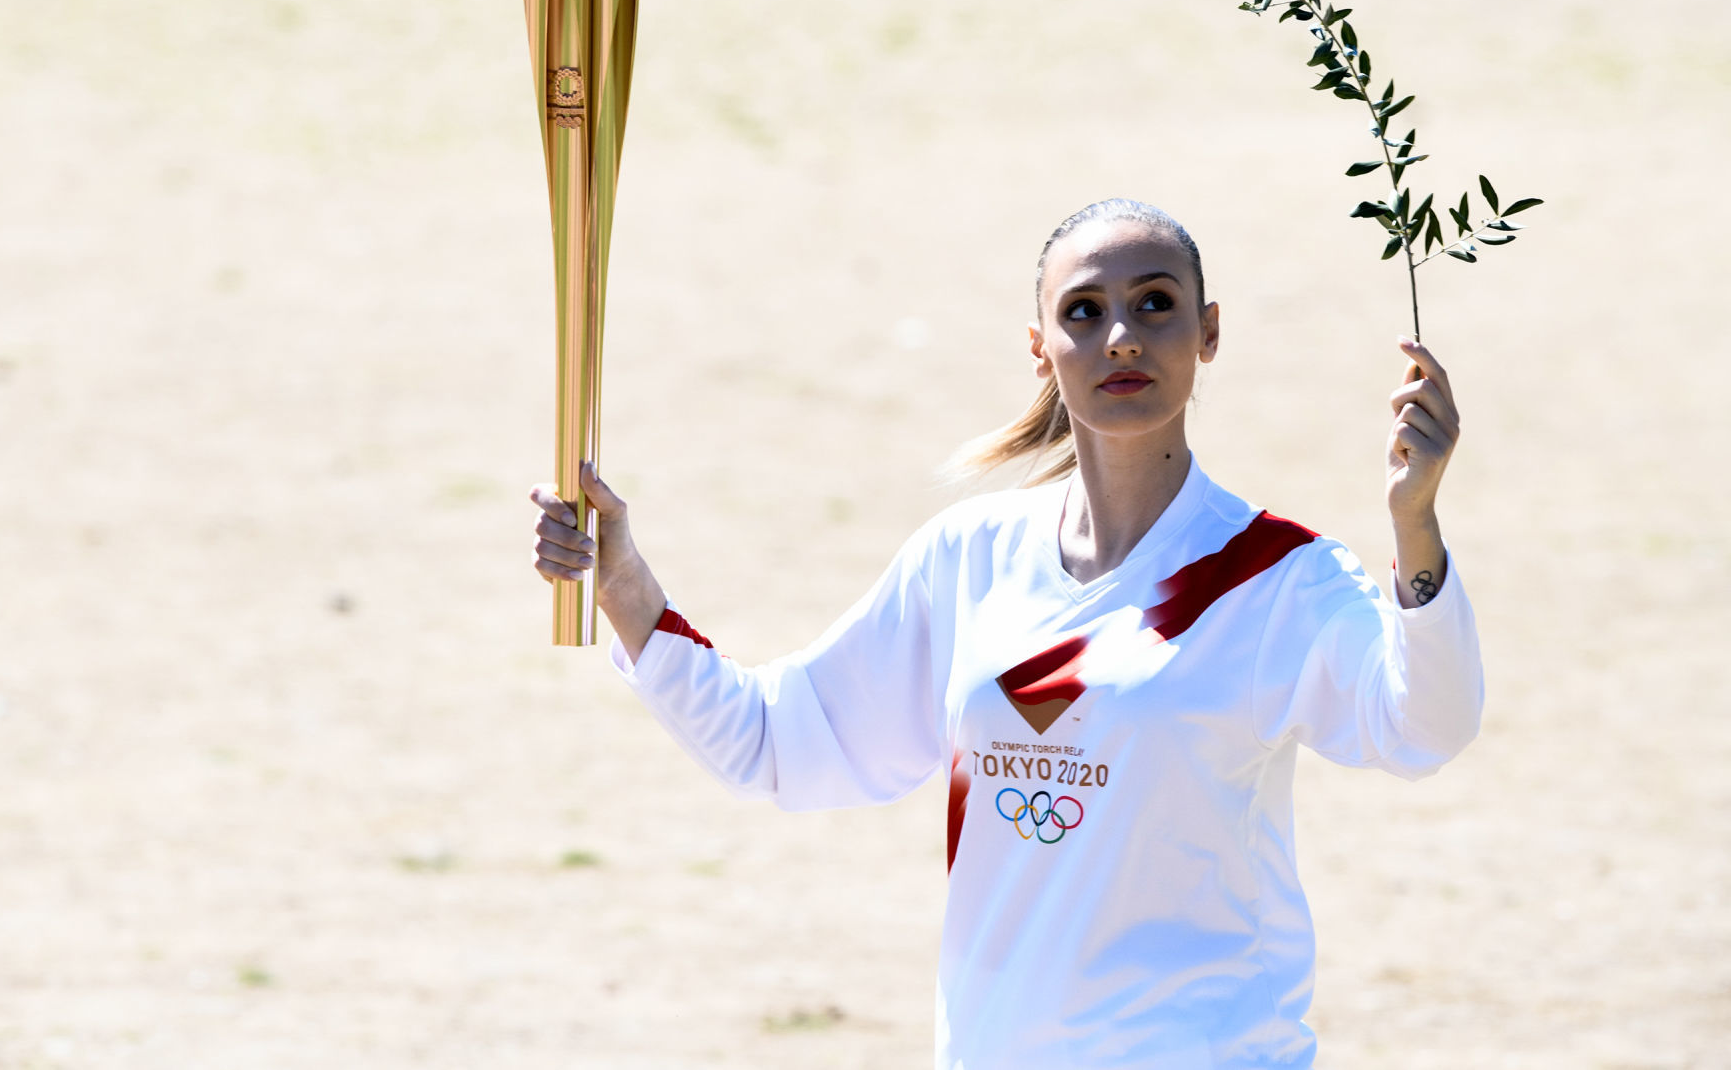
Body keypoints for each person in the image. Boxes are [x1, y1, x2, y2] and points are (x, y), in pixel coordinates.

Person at [529, 198, 1483, 1069]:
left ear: (1209, 332)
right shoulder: (970, 557)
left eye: (1155, 305)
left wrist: (1415, 524)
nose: (1120, 336)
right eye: (1084, 311)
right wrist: (624, 585)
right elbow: (779, 741)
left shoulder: (1277, 576)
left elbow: (1423, 726)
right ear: (1041, 347)